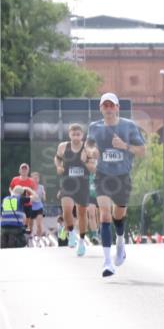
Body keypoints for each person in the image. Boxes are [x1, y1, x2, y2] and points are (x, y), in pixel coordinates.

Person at [87, 92, 146, 277]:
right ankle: (107, 262)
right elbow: (89, 146)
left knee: (118, 215)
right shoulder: (94, 127)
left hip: (122, 176)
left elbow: (142, 151)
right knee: (105, 215)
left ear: (117, 108)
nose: (109, 109)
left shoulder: (129, 126)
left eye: (111, 105)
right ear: (101, 108)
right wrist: (93, 151)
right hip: (103, 176)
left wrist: (125, 146)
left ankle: (120, 241)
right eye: (105, 105)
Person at [54, 123, 96, 256]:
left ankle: (82, 242)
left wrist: (86, 161)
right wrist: (58, 166)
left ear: (82, 135)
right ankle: (71, 233)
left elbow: (93, 169)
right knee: (66, 209)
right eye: (73, 134)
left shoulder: (88, 149)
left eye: (78, 134)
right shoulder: (63, 146)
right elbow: (57, 158)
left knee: (82, 214)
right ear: (69, 135)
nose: (76, 137)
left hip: (82, 185)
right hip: (68, 184)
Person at [9, 163, 38, 243]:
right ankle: (17, 236)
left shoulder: (31, 181)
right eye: (22, 169)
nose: (24, 171)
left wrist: (30, 198)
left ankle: (26, 237)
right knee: (17, 220)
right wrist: (12, 194)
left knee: (27, 223)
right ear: (19, 170)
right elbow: (10, 188)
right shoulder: (15, 179)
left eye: (25, 169)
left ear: (28, 171)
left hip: (27, 204)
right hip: (16, 204)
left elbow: (34, 192)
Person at [28, 172, 47, 247]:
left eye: (37, 178)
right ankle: (30, 238)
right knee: (30, 225)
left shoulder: (41, 187)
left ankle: (39, 238)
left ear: (39, 179)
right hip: (31, 207)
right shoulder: (29, 187)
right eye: (34, 178)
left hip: (39, 207)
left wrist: (44, 195)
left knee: (39, 224)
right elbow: (27, 197)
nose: (35, 180)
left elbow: (44, 197)